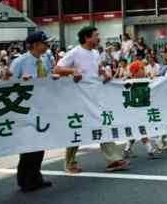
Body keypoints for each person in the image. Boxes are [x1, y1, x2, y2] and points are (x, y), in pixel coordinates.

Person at [54, 26, 129, 173]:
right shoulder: (75, 52)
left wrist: (104, 73)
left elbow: (97, 68)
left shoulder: (95, 53)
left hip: (95, 97)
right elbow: (57, 69)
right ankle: (69, 163)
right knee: (78, 129)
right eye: (96, 35)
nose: (99, 38)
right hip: (80, 99)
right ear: (87, 38)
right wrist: (72, 71)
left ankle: (113, 160)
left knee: (103, 124)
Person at [9, 31, 53, 193]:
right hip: (25, 110)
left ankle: (36, 177)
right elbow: (7, 83)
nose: (47, 45)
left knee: (40, 145)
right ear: (35, 45)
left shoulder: (44, 60)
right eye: (44, 42)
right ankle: (25, 181)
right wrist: (20, 81)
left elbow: (47, 79)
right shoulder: (20, 62)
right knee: (28, 146)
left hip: (41, 107)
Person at [123, 61, 162, 159]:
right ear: (135, 72)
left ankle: (127, 149)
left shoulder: (146, 81)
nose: (144, 70)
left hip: (143, 108)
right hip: (134, 110)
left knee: (136, 130)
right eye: (141, 69)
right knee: (141, 128)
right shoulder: (129, 83)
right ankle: (150, 150)